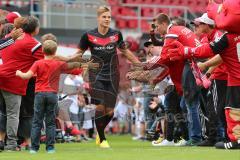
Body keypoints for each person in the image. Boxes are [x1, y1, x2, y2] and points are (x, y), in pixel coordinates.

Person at [77, 5, 140, 148]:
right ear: (98, 18)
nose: (107, 19)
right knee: (100, 107)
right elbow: (78, 54)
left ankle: (99, 131)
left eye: (109, 17)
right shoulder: (88, 35)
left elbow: (126, 52)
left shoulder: (116, 34)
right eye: (104, 17)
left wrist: (139, 64)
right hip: (96, 75)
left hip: (112, 76)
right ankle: (103, 139)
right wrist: (76, 65)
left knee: (110, 112)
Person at [167, 29, 240, 149]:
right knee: (226, 109)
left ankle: (223, 138)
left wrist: (186, 51)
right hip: (229, 78)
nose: (196, 28)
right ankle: (230, 139)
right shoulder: (220, 37)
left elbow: (210, 52)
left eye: (199, 24)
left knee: (222, 109)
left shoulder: (225, 36)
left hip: (225, 77)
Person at [15, 40, 89, 153]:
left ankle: (34, 148)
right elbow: (75, 71)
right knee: (50, 122)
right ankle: (50, 148)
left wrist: (18, 72)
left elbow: (27, 76)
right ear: (55, 51)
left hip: (39, 94)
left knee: (36, 122)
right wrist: (84, 66)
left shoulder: (38, 63)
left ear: (43, 50)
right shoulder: (59, 64)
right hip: (52, 95)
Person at [145, 13, 202, 146]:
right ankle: (188, 137)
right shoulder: (178, 31)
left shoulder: (172, 32)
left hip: (193, 66)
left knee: (190, 105)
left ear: (165, 24)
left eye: (157, 26)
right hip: (196, 65)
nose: (156, 29)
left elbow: (164, 58)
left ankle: (195, 137)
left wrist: (147, 67)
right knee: (185, 105)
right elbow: (169, 60)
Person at [191, 13, 228, 146]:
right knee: (218, 107)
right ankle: (220, 137)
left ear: (207, 24)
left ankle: (219, 138)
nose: (197, 26)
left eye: (199, 24)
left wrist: (207, 70)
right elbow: (199, 50)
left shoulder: (217, 36)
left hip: (222, 75)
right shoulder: (209, 36)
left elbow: (221, 57)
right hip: (218, 75)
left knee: (217, 108)